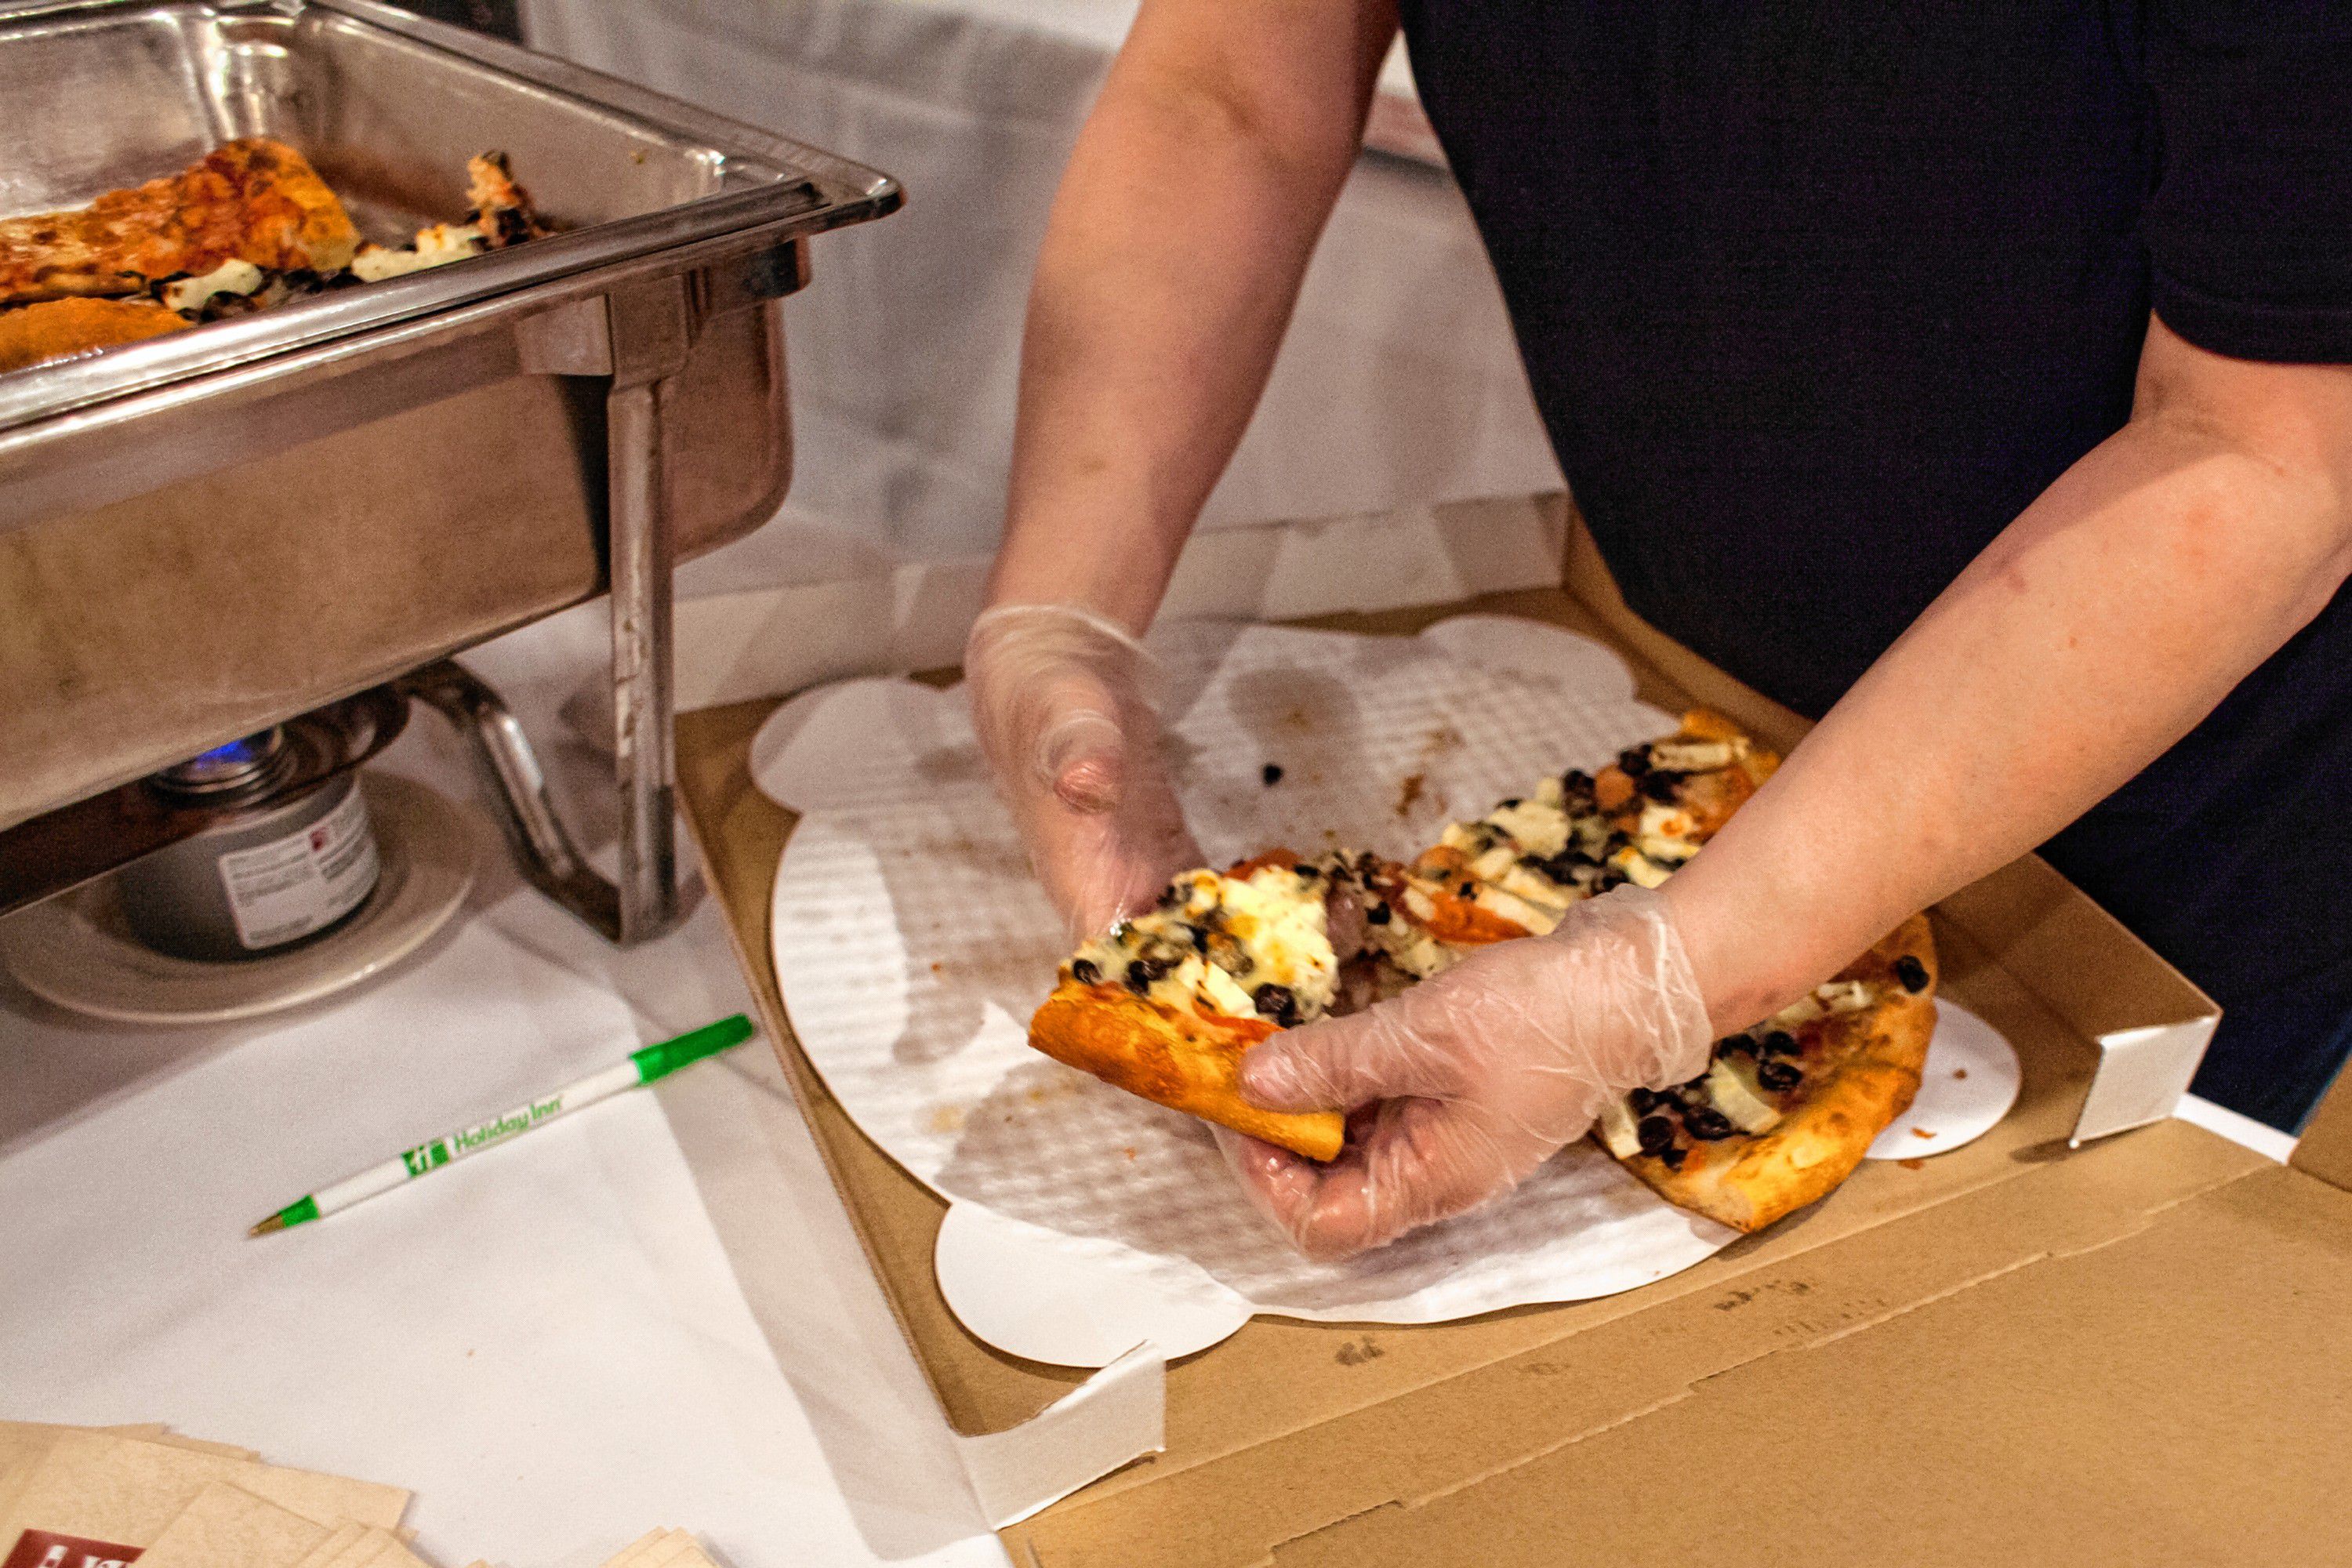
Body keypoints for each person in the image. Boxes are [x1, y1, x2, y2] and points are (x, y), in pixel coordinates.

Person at [964, 1, 2352, 1260]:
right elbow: (1233, 88)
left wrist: (1677, 977)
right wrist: (1061, 612)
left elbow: (2267, 454)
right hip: (1671, 673)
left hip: (2160, 837)